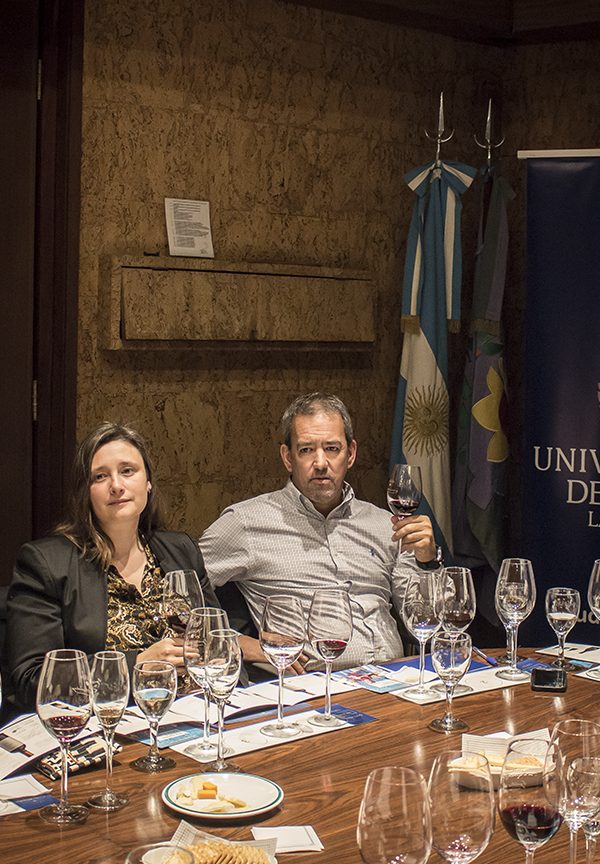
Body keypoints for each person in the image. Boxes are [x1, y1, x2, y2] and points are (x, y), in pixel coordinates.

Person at [200, 392, 441, 672]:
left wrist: (427, 562)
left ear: (350, 454)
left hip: (395, 677)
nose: (321, 463)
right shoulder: (245, 523)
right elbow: (175, 595)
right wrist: (239, 643)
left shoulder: (385, 525)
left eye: (332, 448)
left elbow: (425, 621)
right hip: (310, 687)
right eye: (306, 450)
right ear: (287, 457)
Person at [6, 422, 224, 711]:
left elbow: (217, 642)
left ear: (148, 482)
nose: (117, 486)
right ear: (86, 492)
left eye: (128, 471)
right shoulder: (46, 563)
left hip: (194, 713)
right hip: (104, 722)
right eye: (100, 476)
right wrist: (138, 664)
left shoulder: (181, 549)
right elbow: (31, 679)